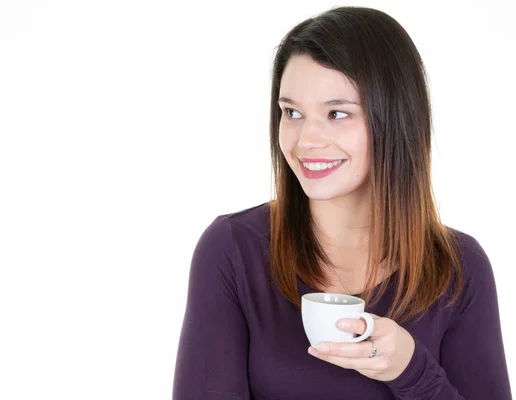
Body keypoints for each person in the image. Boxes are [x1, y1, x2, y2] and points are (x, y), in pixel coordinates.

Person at [172, 6, 512, 399]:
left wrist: (411, 371)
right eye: (292, 112)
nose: (306, 140)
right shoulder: (233, 250)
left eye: (336, 113)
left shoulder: (458, 268)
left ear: (394, 119)